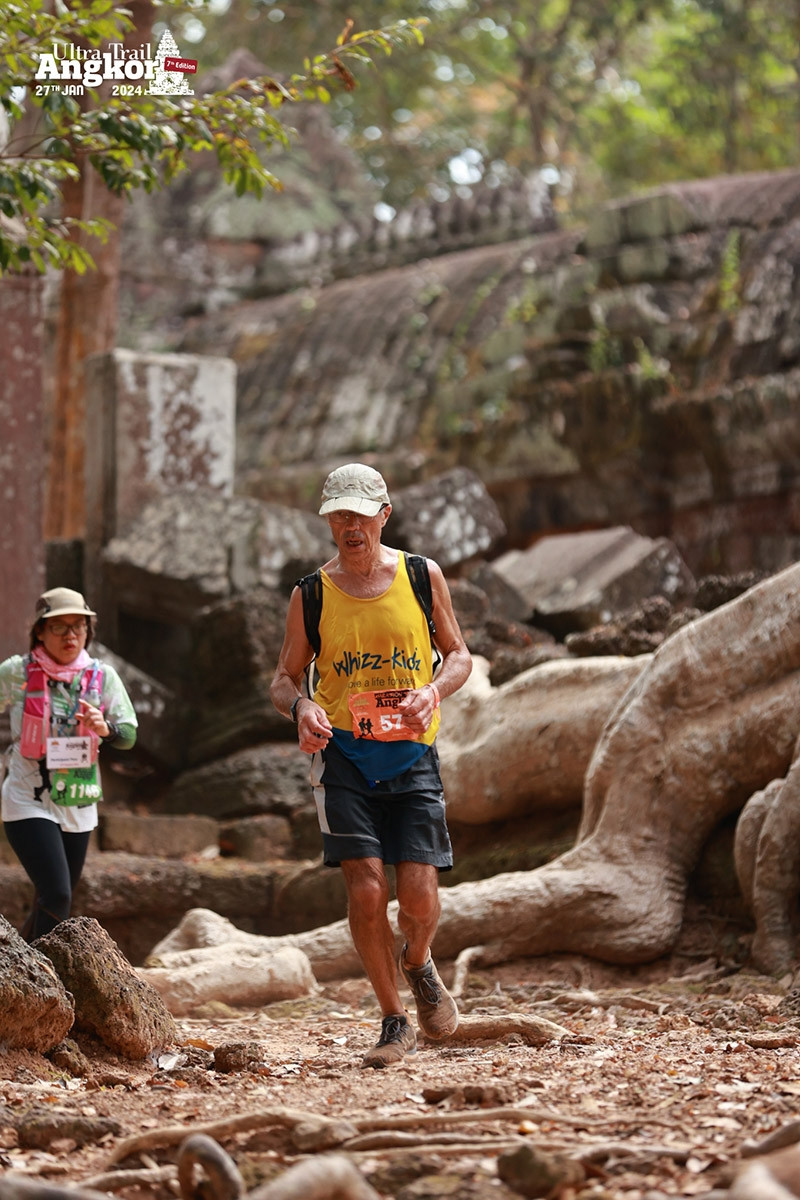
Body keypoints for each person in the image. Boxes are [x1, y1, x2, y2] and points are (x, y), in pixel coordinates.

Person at [270, 463, 472, 1069]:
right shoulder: (310, 594)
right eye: (339, 515)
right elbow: (282, 679)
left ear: (384, 515)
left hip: (413, 755)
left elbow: (459, 655)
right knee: (365, 886)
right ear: (330, 521)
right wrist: (302, 706)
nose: (349, 525)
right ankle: (393, 1019)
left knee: (418, 898)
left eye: (360, 513)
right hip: (343, 759)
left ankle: (418, 963)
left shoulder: (419, 576)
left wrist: (433, 691)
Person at [0, 587, 137, 942]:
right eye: (58, 627)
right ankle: (45, 982)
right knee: (57, 893)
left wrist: (105, 727)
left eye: (79, 626)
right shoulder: (17, 672)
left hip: (78, 798)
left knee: (52, 898)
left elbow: (129, 734)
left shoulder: (101, 676)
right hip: (26, 797)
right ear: (40, 632)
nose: (70, 635)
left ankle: (19, 976)